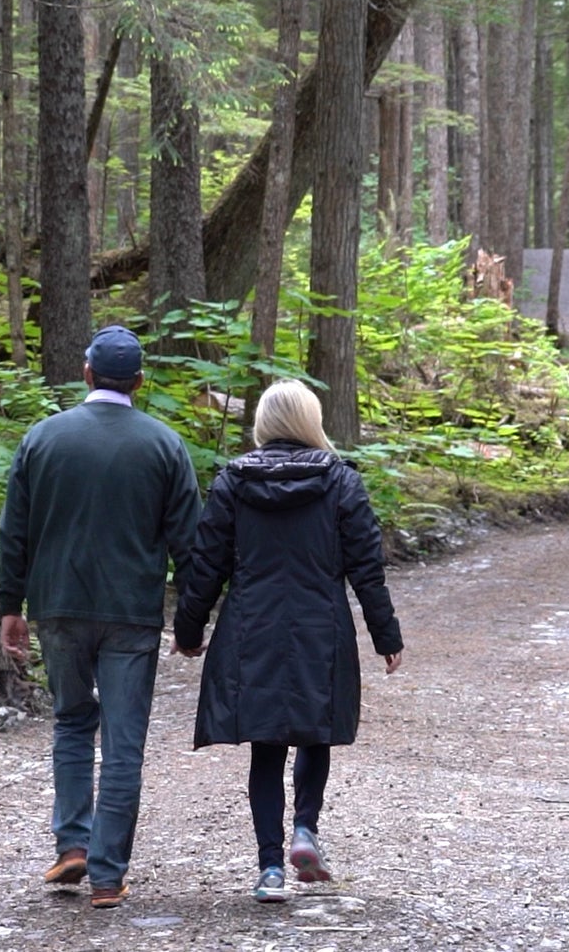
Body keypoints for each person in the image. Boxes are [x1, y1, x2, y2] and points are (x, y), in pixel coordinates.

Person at [173, 379, 404, 904]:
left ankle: (270, 869)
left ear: (264, 423)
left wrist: (189, 630)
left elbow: (205, 564)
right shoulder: (342, 482)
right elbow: (367, 567)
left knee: (266, 744)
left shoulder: (233, 481)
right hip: (321, 623)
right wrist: (385, 634)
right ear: (311, 421)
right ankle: (305, 829)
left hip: (252, 625)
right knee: (314, 730)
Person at [0, 325, 201, 909]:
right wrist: (192, 618)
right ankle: (108, 875)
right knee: (125, 742)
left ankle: (72, 845)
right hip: (131, 614)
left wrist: (10, 606)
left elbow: (15, 532)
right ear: (138, 381)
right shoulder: (164, 445)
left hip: (57, 605)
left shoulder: (42, 438)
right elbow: (191, 543)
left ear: (86, 373)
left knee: (71, 722)